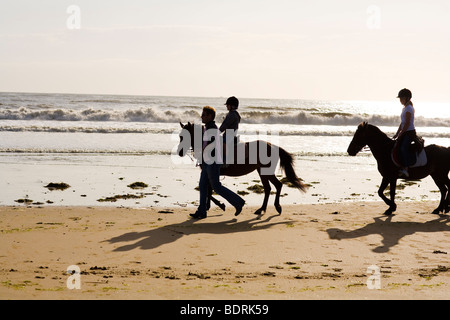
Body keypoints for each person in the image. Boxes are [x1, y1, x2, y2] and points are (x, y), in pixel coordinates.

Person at [190, 106, 245, 219]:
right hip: (207, 161)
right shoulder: (207, 128)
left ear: (210, 116)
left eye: (204, 115)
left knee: (216, 186)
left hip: (213, 161)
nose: (202, 116)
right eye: (202, 114)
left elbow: (213, 146)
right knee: (202, 185)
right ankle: (202, 211)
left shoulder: (212, 129)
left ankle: (238, 202)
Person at [393, 88, 417, 178]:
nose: (400, 100)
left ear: (407, 98)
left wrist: (401, 134)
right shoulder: (405, 108)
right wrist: (397, 132)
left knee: (403, 148)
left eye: (401, 98)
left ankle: (406, 169)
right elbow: (402, 123)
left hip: (409, 132)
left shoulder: (409, 108)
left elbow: (407, 124)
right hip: (405, 131)